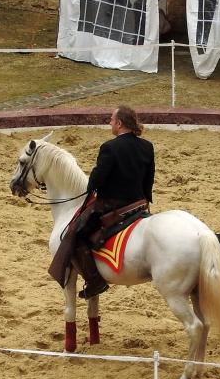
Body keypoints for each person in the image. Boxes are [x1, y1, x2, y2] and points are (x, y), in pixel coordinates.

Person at [48, 106, 156, 299]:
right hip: (139, 205)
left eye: (111, 120)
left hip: (114, 206)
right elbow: (149, 179)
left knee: (76, 233)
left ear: (120, 123)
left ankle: (95, 280)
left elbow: (96, 181)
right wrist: (145, 201)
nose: (110, 123)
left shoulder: (109, 147)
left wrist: (92, 188)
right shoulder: (147, 146)